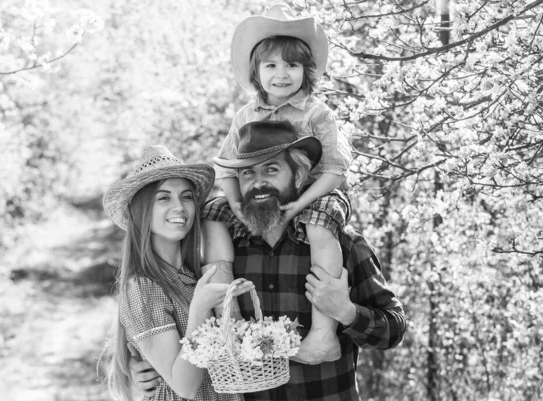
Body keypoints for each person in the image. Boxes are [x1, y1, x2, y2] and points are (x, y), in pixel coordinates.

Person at [132, 122, 407, 401]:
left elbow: (394, 328)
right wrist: (134, 369)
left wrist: (346, 311)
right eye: (248, 172)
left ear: (298, 175)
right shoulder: (220, 254)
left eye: (271, 170)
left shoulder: (342, 246)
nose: (257, 182)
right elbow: (161, 313)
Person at [208, 3, 353, 365]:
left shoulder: (317, 113)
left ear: (307, 70)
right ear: (257, 72)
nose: (282, 74)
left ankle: (323, 332)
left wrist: (300, 206)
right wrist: (238, 206)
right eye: (271, 65)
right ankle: (233, 320)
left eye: (292, 65)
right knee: (212, 214)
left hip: (316, 192)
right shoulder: (246, 114)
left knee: (320, 228)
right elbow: (228, 167)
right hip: (260, 193)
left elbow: (335, 169)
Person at [102, 145, 253, 401]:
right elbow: (185, 386)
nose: (179, 208)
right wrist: (199, 310)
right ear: (142, 212)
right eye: (163, 198)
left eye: (186, 197)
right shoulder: (143, 286)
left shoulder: (192, 276)